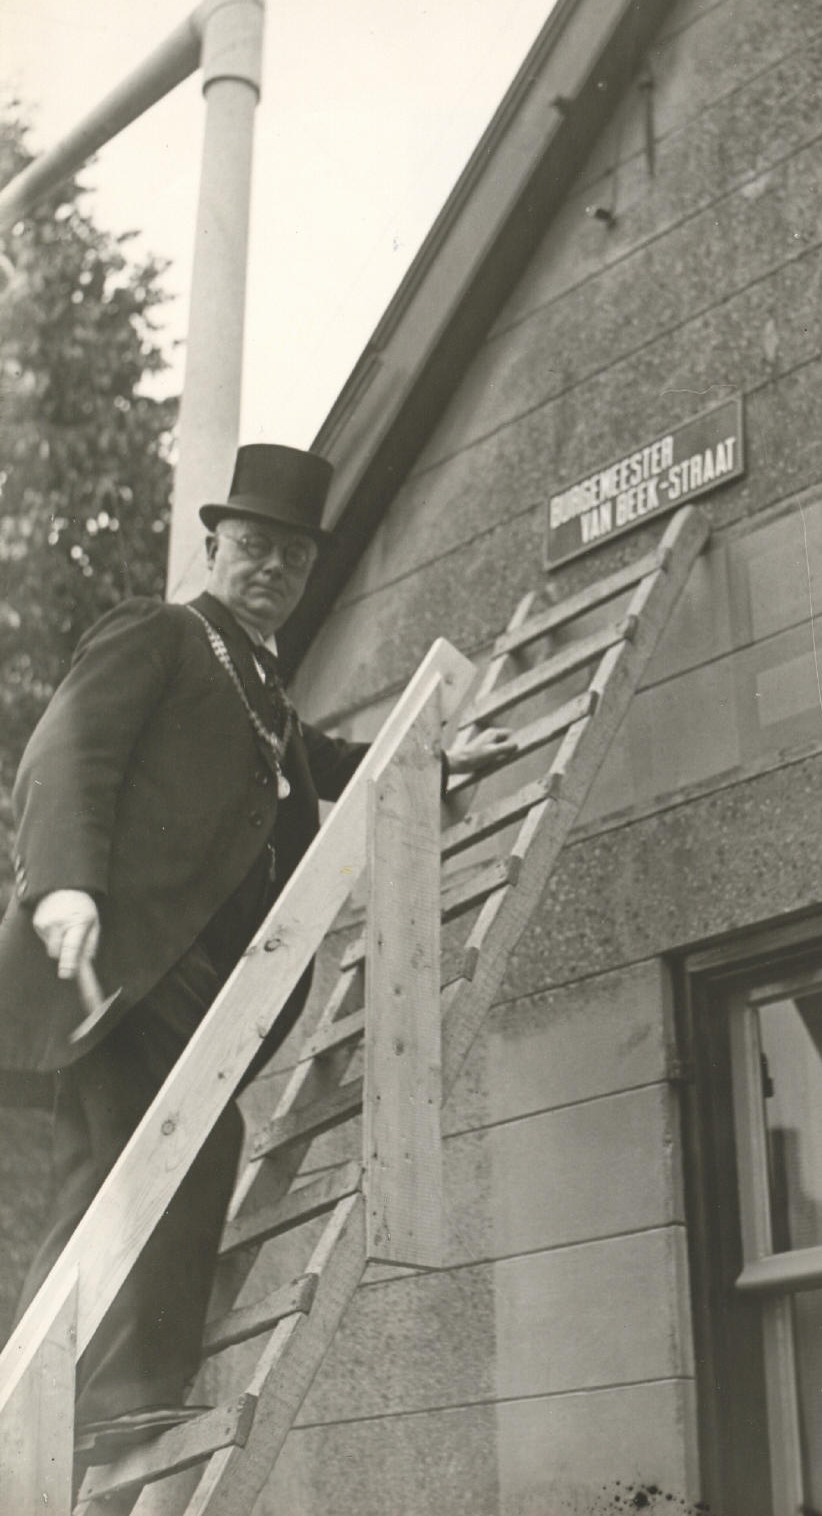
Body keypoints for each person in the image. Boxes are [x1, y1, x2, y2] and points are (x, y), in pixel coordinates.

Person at [0, 444, 512, 1465]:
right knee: (141, 1164)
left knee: (158, 1162)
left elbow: (325, 764)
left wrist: (435, 763)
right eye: (252, 547)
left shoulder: (265, 693)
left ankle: (85, 1404)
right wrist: (63, 882)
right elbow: (70, 747)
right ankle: (86, 1409)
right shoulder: (165, 633)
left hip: (196, 990)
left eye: (291, 555)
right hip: (131, 971)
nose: (272, 568)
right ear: (212, 547)